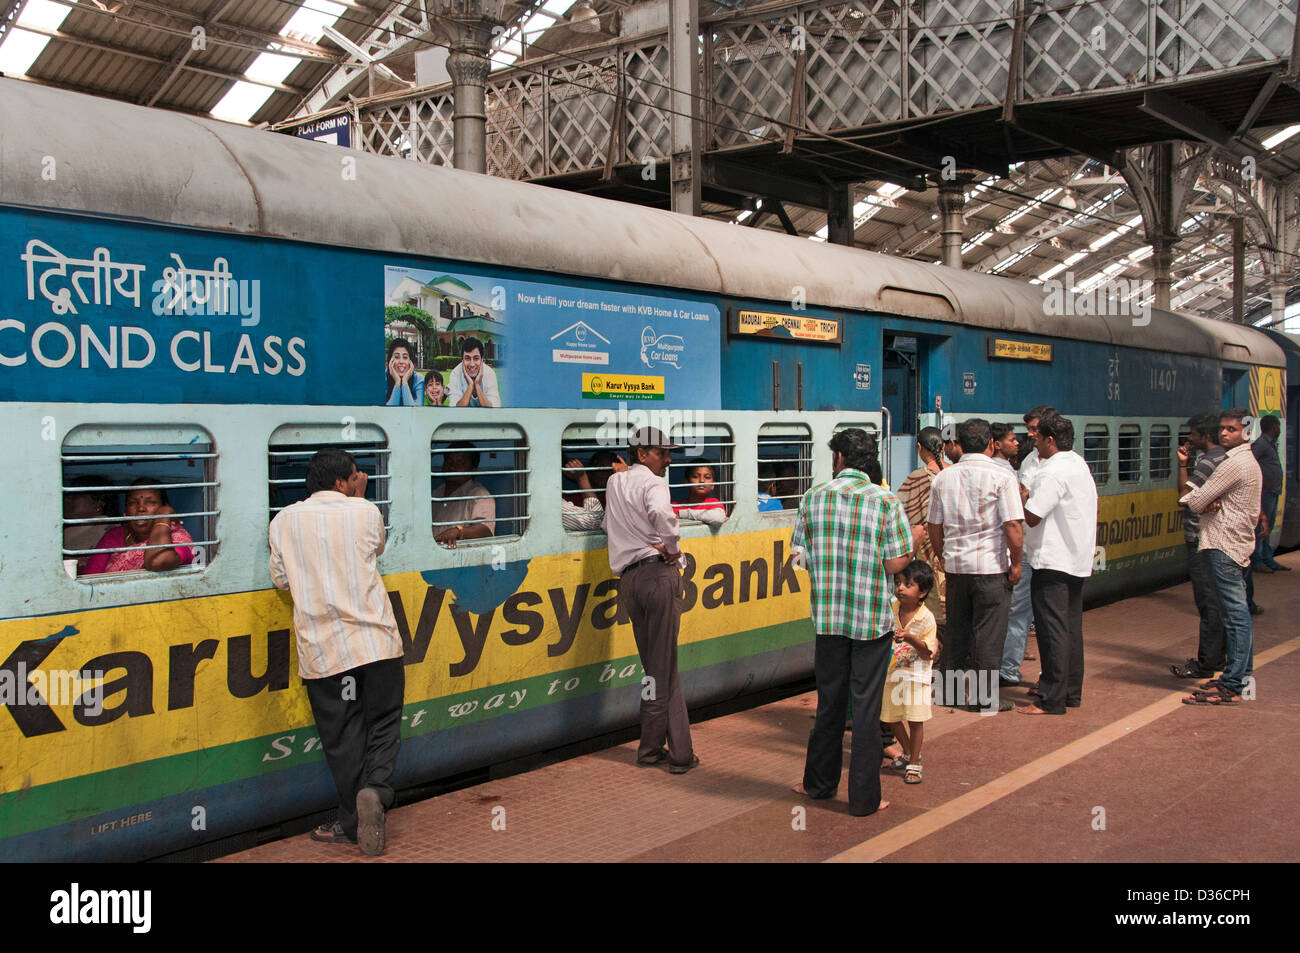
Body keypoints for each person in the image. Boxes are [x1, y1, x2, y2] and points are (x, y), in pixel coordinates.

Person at [268, 449, 404, 855]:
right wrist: (360, 497)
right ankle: (376, 792)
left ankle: (350, 821)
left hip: (325, 655)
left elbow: (280, 579)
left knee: (343, 738)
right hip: (376, 643)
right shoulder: (364, 512)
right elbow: (376, 547)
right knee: (382, 724)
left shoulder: (283, 521)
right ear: (344, 482)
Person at [792, 428, 912, 816]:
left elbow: (800, 557)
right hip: (871, 621)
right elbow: (895, 563)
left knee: (829, 704)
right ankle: (864, 800)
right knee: (865, 708)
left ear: (839, 459)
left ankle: (818, 785)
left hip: (828, 620)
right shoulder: (886, 502)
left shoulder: (813, 498)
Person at [603, 427, 697, 773]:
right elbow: (663, 516)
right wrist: (672, 549)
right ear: (642, 453)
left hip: (629, 580)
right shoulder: (655, 484)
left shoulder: (615, 483)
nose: (669, 459)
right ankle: (661, 753)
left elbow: (606, 523)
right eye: (662, 453)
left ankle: (667, 750)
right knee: (663, 668)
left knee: (655, 670)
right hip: (658, 575)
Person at [926, 418, 1023, 712]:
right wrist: (1016, 563)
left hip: (957, 569)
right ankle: (982, 699)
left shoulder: (944, 478)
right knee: (988, 635)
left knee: (957, 631)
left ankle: (950, 694)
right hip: (992, 569)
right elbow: (1013, 527)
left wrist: (945, 555)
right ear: (991, 444)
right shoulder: (1002, 478)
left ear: (959, 444)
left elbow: (933, 526)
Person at [1015, 414, 1098, 715]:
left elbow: (1033, 515)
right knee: (1071, 628)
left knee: (1052, 631)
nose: (1033, 441)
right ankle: (1070, 693)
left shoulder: (1053, 471)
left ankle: (1050, 699)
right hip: (1075, 558)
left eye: (1037, 437)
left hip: (1053, 559)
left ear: (1050, 440)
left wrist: (1022, 497)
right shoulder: (1077, 463)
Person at [1179, 409, 1262, 706]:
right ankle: (1239, 678)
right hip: (1237, 545)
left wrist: (1205, 500)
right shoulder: (1248, 461)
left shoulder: (1233, 464)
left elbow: (1195, 501)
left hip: (1223, 545)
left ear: (1247, 432)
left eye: (1232, 429)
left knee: (1234, 617)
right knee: (1238, 616)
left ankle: (1232, 684)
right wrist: (1210, 499)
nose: (1225, 434)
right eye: (1223, 429)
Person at [1000, 405, 1055, 687]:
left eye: (1035, 430)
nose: (1030, 435)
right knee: (1018, 611)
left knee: (1049, 619)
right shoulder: (1031, 460)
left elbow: (1028, 507)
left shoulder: (1065, 465)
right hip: (1027, 548)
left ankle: (1052, 677)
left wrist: (1026, 498)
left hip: (1050, 554)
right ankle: (1008, 669)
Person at [1170, 412, 1227, 680]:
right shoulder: (1226, 458)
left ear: (1205, 436)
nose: (1189, 439)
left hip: (1200, 539)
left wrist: (1182, 465)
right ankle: (1219, 657)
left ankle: (1206, 662)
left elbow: (1183, 497)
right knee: (1218, 602)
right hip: (1216, 539)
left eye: (1193, 434)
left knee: (1207, 603)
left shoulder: (1208, 461)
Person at [881, 560, 938, 785]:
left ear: (922, 592)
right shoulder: (893, 608)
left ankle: (914, 762)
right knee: (890, 718)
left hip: (916, 678)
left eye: (907, 584)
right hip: (892, 675)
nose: (900, 588)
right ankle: (907, 752)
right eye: (898, 583)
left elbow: (927, 652)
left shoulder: (926, 619)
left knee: (915, 720)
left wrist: (911, 638)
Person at [895, 428, 946, 650]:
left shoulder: (916, 478)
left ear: (919, 447)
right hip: (953, 560)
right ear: (944, 447)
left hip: (929, 560)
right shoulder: (953, 473)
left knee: (934, 617)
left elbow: (898, 512)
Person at [81, 478, 195, 575]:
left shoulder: (178, 538)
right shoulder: (115, 535)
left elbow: (158, 561)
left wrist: (164, 515)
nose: (141, 508)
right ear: (125, 511)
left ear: (163, 507)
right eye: (133, 503)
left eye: (150, 502)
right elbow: (91, 576)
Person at [432, 442, 497, 546]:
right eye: (448, 460)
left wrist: (458, 532)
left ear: (473, 470)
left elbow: (485, 530)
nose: (452, 465)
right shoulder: (436, 493)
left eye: (460, 461)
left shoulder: (480, 496)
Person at [1251, 415, 1287, 574]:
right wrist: (1263, 480)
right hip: (1265, 492)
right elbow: (1252, 461)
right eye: (1278, 426)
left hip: (1272, 492)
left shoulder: (1270, 444)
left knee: (1268, 527)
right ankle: (1258, 561)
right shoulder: (1262, 444)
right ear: (1274, 427)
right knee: (1261, 527)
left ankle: (1268, 559)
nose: (1279, 429)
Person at [561, 449, 627, 531]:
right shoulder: (573, 497)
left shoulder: (618, 498)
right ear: (591, 471)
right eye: (600, 467)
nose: (605, 472)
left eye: (610, 468)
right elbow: (595, 521)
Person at [63, 475, 114, 573]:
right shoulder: (68, 530)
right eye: (68, 495)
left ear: (98, 503)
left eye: (76, 495)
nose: (67, 499)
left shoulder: (110, 531)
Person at [447, 336, 501, 407]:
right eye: (467, 358)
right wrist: (470, 386)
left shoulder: (489, 374)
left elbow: (493, 411)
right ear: (462, 360)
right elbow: (455, 410)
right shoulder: (455, 374)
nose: (472, 364)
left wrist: (477, 385)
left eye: (476, 358)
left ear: (482, 360)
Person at [673, 460, 727, 526]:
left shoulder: (713, 504)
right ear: (686, 482)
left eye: (707, 477)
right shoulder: (674, 506)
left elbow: (718, 518)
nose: (702, 481)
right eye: (695, 476)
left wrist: (683, 514)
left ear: (713, 485)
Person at [384, 339, 424, 406]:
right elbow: (387, 412)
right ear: (390, 360)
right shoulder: (383, 378)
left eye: (405, 357)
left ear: (410, 361)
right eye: (396, 357)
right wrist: (397, 382)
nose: (401, 361)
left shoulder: (418, 379)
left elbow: (415, 412)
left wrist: (404, 381)